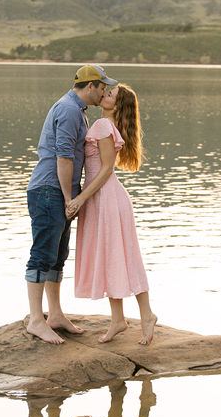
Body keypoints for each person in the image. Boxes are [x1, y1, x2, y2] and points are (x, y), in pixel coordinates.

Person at [25, 64, 117, 345]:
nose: (104, 92)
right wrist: (69, 198)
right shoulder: (67, 111)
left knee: (58, 255)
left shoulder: (76, 110)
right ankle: (35, 320)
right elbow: (63, 158)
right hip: (50, 191)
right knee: (42, 255)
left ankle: (55, 315)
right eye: (102, 87)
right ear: (90, 86)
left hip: (59, 191)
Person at [68, 83, 157, 345]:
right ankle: (118, 320)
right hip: (103, 198)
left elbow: (106, 169)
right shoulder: (104, 125)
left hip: (105, 198)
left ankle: (147, 315)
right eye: (106, 91)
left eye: (111, 94)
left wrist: (81, 198)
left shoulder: (104, 126)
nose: (105, 93)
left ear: (116, 106)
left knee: (125, 257)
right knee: (112, 257)